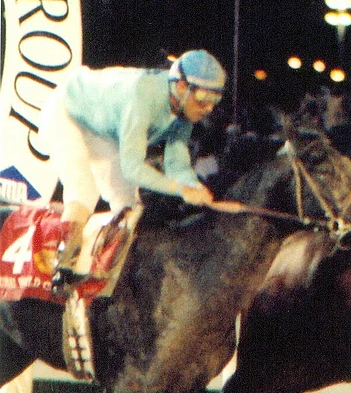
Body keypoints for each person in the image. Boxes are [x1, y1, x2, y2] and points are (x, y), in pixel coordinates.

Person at [40, 49, 226, 294]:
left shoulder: (183, 110)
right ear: (181, 86)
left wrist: (194, 186)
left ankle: (110, 280)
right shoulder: (142, 97)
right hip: (65, 110)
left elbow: (177, 165)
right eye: (203, 98)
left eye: (215, 100)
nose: (208, 108)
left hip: (102, 125)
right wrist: (181, 189)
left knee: (128, 204)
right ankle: (61, 270)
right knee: (84, 190)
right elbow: (132, 168)